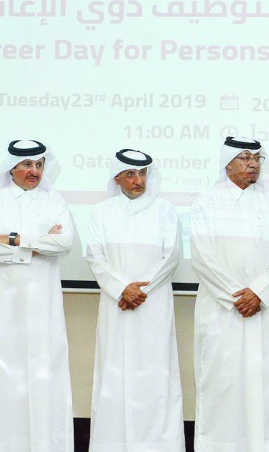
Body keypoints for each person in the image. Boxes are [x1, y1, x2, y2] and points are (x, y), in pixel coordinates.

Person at [190, 137, 269, 452]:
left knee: (261, 386)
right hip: (222, 311)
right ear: (229, 163)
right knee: (220, 385)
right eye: (246, 158)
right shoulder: (207, 200)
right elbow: (202, 256)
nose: (253, 164)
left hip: (262, 309)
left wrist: (259, 293)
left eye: (257, 158)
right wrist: (237, 296)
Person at [0, 140, 75, 451]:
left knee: (46, 374)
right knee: (2, 373)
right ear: (11, 168)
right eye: (27, 165)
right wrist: (37, 245)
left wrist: (14, 239)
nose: (34, 171)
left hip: (44, 304)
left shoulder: (55, 201)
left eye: (39, 165)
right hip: (4, 303)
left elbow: (64, 244)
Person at [83, 149, 185, 451]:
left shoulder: (164, 209)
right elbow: (95, 256)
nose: (138, 180)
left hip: (153, 306)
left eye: (142, 174)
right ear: (117, 178)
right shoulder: (102, 212)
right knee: (113, 375)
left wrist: (141, 290)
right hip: (117, 306)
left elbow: (172, 256)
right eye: (130, 174)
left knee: (155, 377)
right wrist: (120, 289)